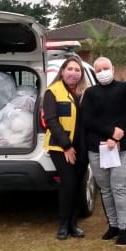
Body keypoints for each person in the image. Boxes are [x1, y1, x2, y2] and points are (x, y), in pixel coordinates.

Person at [81, 56, 126, 246]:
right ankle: (112, 225)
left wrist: (116, 136)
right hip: (97, 148)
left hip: (123, 146)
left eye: (105, 68)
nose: (102, 72)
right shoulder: (90, 93)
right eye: (98, 70)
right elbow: (88, 119)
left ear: (112, 68)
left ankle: (123, 229)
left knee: (119, 188)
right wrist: (110, 133)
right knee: (105, 190)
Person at [41, 54, 88, 241]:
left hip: (82, 146)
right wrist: (67, 146)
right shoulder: (52, 92)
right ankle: (63, 224)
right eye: (70, 69)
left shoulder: (85, 92)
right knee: (68, 183)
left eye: (77, 70)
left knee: (77, 184)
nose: (74, 73)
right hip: (61, 147)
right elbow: (51, 121)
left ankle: (73, 224)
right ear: (62, 71)